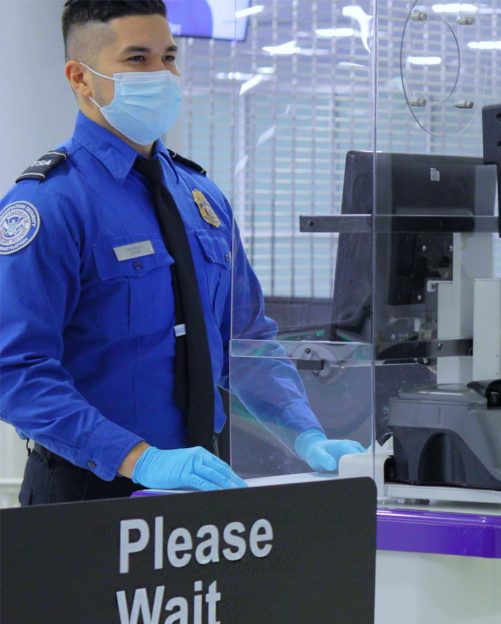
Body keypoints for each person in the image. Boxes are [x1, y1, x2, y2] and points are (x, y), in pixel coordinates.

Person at [0, 0, 364, 505]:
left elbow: (248, 337)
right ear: (80, 78)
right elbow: (17, 369)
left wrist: (307, 435)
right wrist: (139, 458)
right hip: (89, 491)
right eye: (137, 59)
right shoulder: (49, 204)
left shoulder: (200, 198)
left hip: (202, 479)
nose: (162, 74)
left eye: (168, 56)